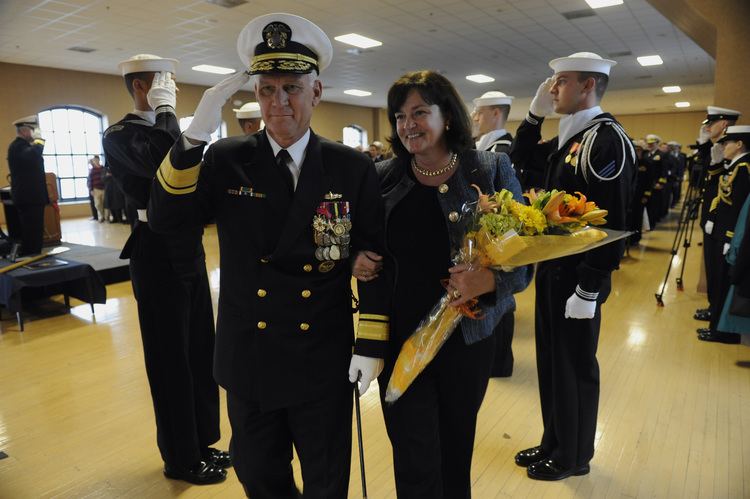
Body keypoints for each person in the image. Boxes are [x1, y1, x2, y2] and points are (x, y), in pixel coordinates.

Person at [147, 14, 391, 498]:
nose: (279, 102)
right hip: (249, 354)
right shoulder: (225, 158)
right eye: (267, 89)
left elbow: (374, 253)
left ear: (316, 92)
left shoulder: (351, 165)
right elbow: (166, 220)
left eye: (292, 88)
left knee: (326, 479)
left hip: (321, 352)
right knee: (258, 475)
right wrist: (194, 134)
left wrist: (371, 342)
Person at [352, 70, 532, 498]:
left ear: (447, 117)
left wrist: (489, 280)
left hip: (465, 341)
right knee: (413, 455)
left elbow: (526, 258)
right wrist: (355, 258)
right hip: (402, 342)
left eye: (419, 112)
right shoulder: (382, 177)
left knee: (454, 450)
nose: (408, 125)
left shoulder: (490, 169)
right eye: (399, 116)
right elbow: (359, 241)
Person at [102, 54, 229, 485]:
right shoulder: (119, 134)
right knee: (170, 359)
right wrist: (166, 111)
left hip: (187, 245)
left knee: (199, 350)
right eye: (164, 82)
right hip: (154, 251)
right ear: (142, 87)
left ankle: (203, 441)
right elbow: (168, 161)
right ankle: (180, 457)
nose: (171, 88)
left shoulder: (164, 125)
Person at [510, 52, 635, 480]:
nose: (552, 89)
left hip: (579, 276)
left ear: (588, 86)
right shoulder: (570, 134)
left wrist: (591, 286)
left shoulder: (607, 139)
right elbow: (518, 158)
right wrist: (531, 116)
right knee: (551, 362)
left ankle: (574, 456)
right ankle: (554, 440)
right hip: (553, 267)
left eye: (561, 82)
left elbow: (613, 219)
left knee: (575, 365)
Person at [471, 90, 518, 378]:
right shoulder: (484, 146)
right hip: (483, 234)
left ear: (496, 113)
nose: (475, 117)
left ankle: (501, 361)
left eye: (480, 112)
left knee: (503, 296)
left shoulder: (504, 150)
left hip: (502, 231)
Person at [698, 125, 750, 344]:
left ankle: (723, 331)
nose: (724, 147)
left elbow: (739, 209)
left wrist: (730, 237)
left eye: (727, 143)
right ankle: (716, 322)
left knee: (723, 281)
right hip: (720, 231)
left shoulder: (744, 168)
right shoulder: (733, 165)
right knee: (717, 280)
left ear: (739, 144)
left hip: (729, 235)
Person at [693, 106, 741, 325]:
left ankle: (717, 311)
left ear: (723, 124)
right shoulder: (717, 148)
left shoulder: (732, 150)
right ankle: (714, 307)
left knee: (719, 268)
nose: (707, 128)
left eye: (711, 124)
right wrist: (704, 145)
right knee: (712, 266)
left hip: (722, 221)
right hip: (712, 218)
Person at [8, 115, 49, 255]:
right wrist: (39, 141)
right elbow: (32, 156)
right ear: (25, 131)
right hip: (29, 196)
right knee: (32, 229)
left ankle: (33, 254)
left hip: (31, 196)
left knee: (34, 229)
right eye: (33, 130)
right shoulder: (18, 146)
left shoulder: (23, 146)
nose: (35, 133)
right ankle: (31, 255)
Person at [87, 155, 105, 222]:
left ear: (99, 160)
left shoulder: (103, 168)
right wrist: (91, 189)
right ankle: (101, 216)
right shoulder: (92, 170)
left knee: (104, 204)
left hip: (104, 188)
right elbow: (89, 181)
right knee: (97, 204)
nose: (95, 161)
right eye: (94, 160)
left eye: (96, 160)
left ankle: (105, 217)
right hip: (96, 189)